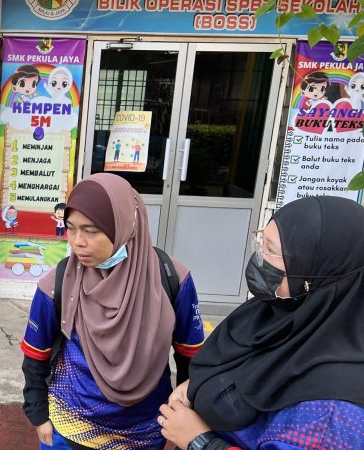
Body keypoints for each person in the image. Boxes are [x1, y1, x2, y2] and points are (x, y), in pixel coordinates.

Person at [159, 196, 364, 450]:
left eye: (272, 251)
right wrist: (196, 386)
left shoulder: (334, 411)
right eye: (261, 243)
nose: (259, 258)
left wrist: (199, 441)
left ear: (318, 274)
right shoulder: (276, 312)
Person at [21, 173, 204, 450]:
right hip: (69, 426)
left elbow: (191, 358)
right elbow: (35, 354)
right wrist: (38, 414)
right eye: (71, 228)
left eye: (91, 230)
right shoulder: (58, 284)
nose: (77, 242)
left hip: (143, 432)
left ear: (124, 225)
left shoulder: (171, 278)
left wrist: (187, 421)